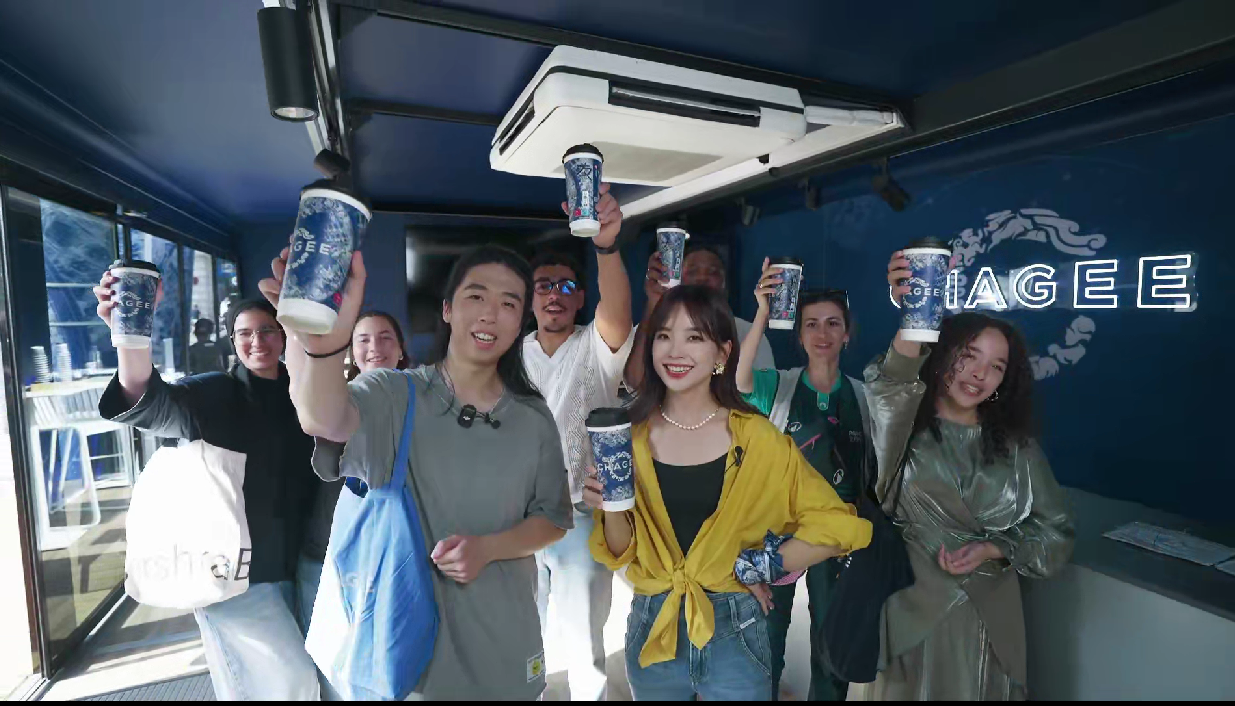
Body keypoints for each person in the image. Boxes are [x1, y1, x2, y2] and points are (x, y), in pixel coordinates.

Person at [261, 244, 573, 700]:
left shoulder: (533, 417)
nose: (490, 314)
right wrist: (322, 345)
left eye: (509, 303)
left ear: (522, 320)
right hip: (411, 655)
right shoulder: (395, 395)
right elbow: (323, 418)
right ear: (447, 309)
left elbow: (553, 519)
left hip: (508, 640)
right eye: (476, 296)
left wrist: (488, 549)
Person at [584, 284, 873, 701]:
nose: (675, 351)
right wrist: (610, 505)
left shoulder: (756, 437)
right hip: (653, 627)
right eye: (664, 335)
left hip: (735, 630)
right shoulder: (629, 438)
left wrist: (758, 566)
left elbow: (839, 525)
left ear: (722, 354)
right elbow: (620, 550)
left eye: (694, 337)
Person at [855, 251, 1075, 700]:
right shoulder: (901, 428)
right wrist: (918, 309)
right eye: (969, 355)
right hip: (908, 607)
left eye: (996, 366)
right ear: (942, 354)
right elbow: (892, 379)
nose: (979, 373)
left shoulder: (1017, 449)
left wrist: (997, 547)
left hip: (989, 620)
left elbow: (1056, 534)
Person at [92, 278, 319, 701]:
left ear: (283, 335)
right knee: (289, 682)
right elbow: (150, 403)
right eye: (245, 333)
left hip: (300, 565)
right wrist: (130, 337)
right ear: (232, 341)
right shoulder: (214, 393)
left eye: (267, 330)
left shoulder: (304, 394)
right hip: (234, 575)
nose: (257, 341)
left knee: (293, 681)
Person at [736, 259, 875, 701]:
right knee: (766, 638)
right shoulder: (778, 386)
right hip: (779, 531)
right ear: (798, 335)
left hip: (837, 534)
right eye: (811, 324)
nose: (822, 333)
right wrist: (762, 312)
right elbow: (738, 381)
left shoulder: (865, 397)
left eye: (833, 323)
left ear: (847, 334)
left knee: (833, 643)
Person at [524, 183, 633, 701]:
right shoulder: (509, 356)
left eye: (567, 286)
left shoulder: (597, 347)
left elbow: (619, 312)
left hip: (580, 517)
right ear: (530, 297)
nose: (555, 294)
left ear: (581, 298)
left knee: (585, 645)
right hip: (517, 518)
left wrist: (606, 247)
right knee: (524, 636)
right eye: (544, 286)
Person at [295, 310, 412, 700]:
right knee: (339, 666)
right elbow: (328, 465)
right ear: (350, 351)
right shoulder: (335, 402)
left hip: (401, 554)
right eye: (363, 339)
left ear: (401, 349)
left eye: (385, 337)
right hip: (337, 553)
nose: (374, 347)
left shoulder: (424, 398)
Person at [626, 242, 774, 390]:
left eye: (713, 272)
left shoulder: (748, 333)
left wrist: (762, 315)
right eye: (692, 271)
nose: (702, 278)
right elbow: (635, 381)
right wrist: (653, 302)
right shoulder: (652, 327)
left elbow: (761, 393)